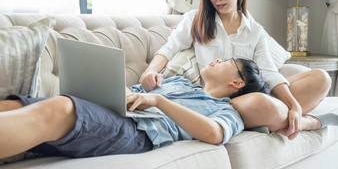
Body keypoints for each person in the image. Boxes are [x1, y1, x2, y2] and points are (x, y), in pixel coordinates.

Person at [141, 0, 338, 140]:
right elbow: (169, 49)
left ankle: (283, 118)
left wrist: (294, 106)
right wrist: (151, 71)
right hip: (222, 102)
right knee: (262, 102)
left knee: (321, 78)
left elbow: (268, 73)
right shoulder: (196, 20)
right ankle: (309, 122)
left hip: (254, 92)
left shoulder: (254, 30)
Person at [0, 58, 270, 159]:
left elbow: (213, 134)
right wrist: (127, 90)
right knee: (11, 105)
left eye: (227, 61)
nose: (217, 59)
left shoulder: (227, 110)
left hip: (139, 131)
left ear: (237, 82)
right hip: (118, 110)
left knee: (61, 109)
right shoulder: (178, 81)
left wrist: (160, 101)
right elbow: (136, 95)